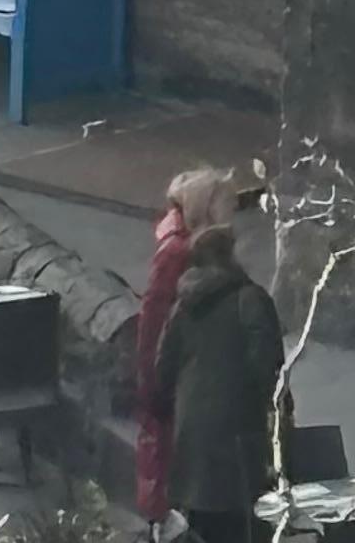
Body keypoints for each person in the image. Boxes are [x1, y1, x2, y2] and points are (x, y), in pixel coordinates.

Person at [150, 211, 288, 543]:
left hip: (192, 437)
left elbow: (163, 370)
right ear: (231, 256)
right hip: (236, 438)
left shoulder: (182, 305)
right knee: (240, 527)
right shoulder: (250, 299)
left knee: (201, 526)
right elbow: (268, 368)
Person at [136, 167, 234, 530]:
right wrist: (152, 383)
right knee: (170, 472)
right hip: (175, 378)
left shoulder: (179, 245)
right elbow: (154, 322)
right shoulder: (178, 252)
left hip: (178, 374)